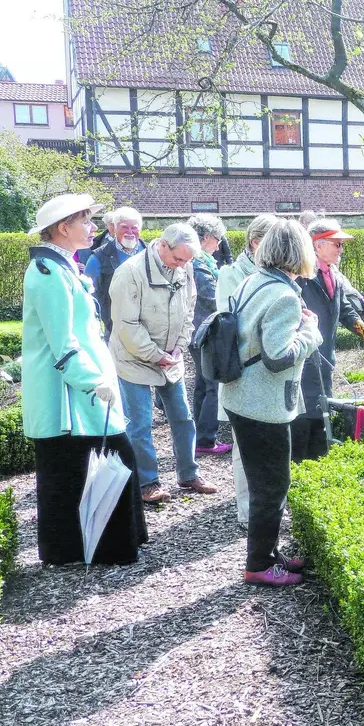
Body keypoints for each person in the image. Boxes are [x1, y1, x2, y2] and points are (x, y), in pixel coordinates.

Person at [19, 194, 148, 565]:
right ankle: (88, 549)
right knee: (87, 465)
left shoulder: (60, 268)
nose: (93, 228)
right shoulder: (46, 274)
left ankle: (105, 546)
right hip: (70, 398)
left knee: (100, 462)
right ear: (63, 228)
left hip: (81, 393)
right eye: (86, 221)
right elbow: (63, 345)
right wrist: (93, 381)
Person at [220, 217, 325, 587]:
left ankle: (268, 554)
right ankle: (259, 566)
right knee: (272, 487)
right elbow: (278, 356)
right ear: (300, 253)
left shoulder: (255, 281)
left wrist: (298, 323)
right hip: (262, 404)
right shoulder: (283, 295)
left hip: (240, 395)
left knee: (265, 482)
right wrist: (310, 332)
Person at [108, 223, 218, 503]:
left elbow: (189, 311)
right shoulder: (130, 273)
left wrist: (179, 348)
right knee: (140, 424)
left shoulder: (186, 266)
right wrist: (156, 354)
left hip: (171, 358)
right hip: (134, 358)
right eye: (178, 259)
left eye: (187, 260)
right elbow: (126, 325)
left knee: (183, 417)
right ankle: (147, 482)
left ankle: (188, 473)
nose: (182, 265)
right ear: (162, 246)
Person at [296, 218, 364, 460]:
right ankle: (299, 468)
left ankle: (318, 463)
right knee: (301, 415)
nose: (341, 249)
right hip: (302, 358)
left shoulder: (333, 276)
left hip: (325, 357)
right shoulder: (300, 276)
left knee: (321, 409)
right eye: (337, 244)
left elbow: (346, 312)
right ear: (317, 246)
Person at [218, 218, 272, 526]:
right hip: (246, 372)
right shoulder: (232, 274)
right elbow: (231, 325)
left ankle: (266, 507)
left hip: (271, 375)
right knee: (245, 446)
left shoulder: (276, 275)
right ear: (255, 243)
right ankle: (248, 512)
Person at [187, 214, 232, 455]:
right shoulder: (197, 263)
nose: (219, 245)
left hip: (200, 331)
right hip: (205, 332)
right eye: (218, 239)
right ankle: (205, 439)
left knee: (203, 385)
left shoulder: (202, 261)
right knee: (211, 385)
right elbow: (211, 295)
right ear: (206, 238)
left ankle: (199, 437)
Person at [84, 206, 145, 338]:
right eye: (124, 227)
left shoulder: (151, 254)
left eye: (134, 227)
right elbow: (89, 298)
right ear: (114, 228)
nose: (130, 232)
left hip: (147, 329)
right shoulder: (98, 258)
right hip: (114, 330)